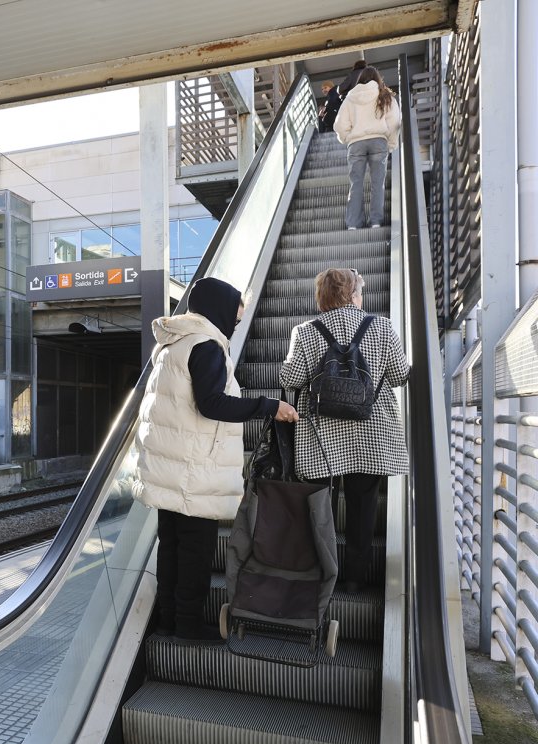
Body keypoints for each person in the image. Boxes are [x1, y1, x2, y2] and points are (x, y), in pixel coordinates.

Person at [133, 277, 298, 644]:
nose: (235, 327)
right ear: (219, 310)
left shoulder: (172, 344)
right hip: (194, 470)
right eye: (235, 320)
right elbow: (212, 404)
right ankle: (187, 627)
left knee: (172, 548)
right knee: (194, 553)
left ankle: (168, 622)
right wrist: (267, 406)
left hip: (170, 467)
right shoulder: (206, 345)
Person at [280, 268, 409, 595]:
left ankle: (321, 573)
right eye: (359, 292)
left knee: (319, 507)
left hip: (320, 435)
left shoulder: (306, 331)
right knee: (363, 508)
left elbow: (291, 379)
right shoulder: (381, 326)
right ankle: (353, 579)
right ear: (352, 295)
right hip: (371, 434)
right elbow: (398, 376)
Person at [334, 66, 401, 230]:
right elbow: (394, 122)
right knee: (378, 184)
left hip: (356, 143)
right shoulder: (384, 95)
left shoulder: (350, 98)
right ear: (378, 79)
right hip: (379, 141)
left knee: (355, 184)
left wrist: (347, 138)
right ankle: (376, 222)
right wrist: (391, 143)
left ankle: (353, 224)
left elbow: (339, 124)